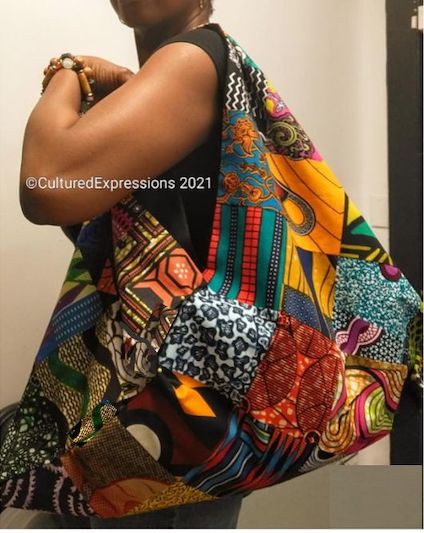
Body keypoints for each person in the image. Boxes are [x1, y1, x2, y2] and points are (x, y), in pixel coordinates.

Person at [17, 0, 243, 528]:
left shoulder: (193, 58)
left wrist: (67, 71)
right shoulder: (177, 75)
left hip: (171, 417)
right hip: (162, 409)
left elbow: (47, 184)